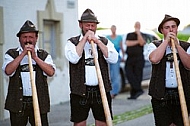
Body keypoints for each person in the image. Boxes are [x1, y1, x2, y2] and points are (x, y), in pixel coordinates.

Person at [65, 8, 118, 126]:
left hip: (101, 90)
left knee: (102, 122)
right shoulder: (72, 42)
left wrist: (98, 42)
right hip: (80, 91)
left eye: (92, 25)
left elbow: (113, 59)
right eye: (87, 25)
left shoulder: (104, 41)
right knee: (79, 123)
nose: (90, 28)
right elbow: (73, 59)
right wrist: (84, 39)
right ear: (80, 25)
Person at [2, 20, 56, 126]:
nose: (28, 40)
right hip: (17, 102)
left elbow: (50, 72)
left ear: (36, 38)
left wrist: (35, 57)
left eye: (31, 37)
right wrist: (22, 54)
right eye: (24, 37)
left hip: (39, 102)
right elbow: (8, 71)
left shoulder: (43, 55)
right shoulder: (11, 54)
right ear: (19, 39)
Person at [147, 14, 190, 126]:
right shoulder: (154, 45)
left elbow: (189, 65)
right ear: (162, 30)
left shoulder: (186, 46)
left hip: (182, 94)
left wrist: (178, 47)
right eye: (167, 28)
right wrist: (166, 42)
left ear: (177, 28)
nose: (171, 30)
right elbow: (154, 59)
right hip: (161, 94)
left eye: (173, 26)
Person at [125, 21, 145, 99]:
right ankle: (139, 89)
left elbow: (142, 43)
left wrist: (138, 33)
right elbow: (128, 43)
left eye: (138, 25)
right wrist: (137, 42)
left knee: (137, 76)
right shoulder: (129, 34)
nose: (137, 26)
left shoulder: (142, 35)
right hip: (130, 58)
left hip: (139, 58)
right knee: (129, 74)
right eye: (136, 25)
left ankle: (134, 94)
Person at [106, 25, 125, 98]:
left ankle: (114, 92)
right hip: (108, 58)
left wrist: (123, 56)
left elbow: (121, 47)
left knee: (115, 75)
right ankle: (110, 91)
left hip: (116, 58)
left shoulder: (119, 37)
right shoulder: (108, 37)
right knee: (109, 75)